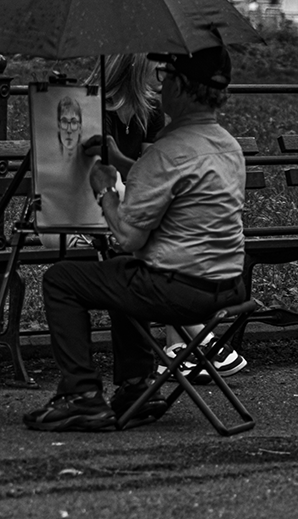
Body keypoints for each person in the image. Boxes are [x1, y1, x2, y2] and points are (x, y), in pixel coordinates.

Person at [24, 46, 247, 432]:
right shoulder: (227, 144)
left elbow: (127, 235)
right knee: (120, 275)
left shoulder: (170, 151)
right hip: (226, 286)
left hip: (178, 289)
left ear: (179, 87)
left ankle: (82, 395)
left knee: (62, 279)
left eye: (165, 80)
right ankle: (137, 387)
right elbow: (171, 182)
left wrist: (104, 193)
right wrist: (121, 161)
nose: (159, 90)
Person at [90, 54, 249, 380]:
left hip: (134, 207)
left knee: (145, 247)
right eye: (157, 64)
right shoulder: (96, 109)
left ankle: (180, 350)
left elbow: (151, 170)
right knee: (147, 245)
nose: (165, 73)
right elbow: (131, 172)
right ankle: (203, 342)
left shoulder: (150, 111)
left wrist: (119, 159)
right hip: (103, 205)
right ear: (133, 65)